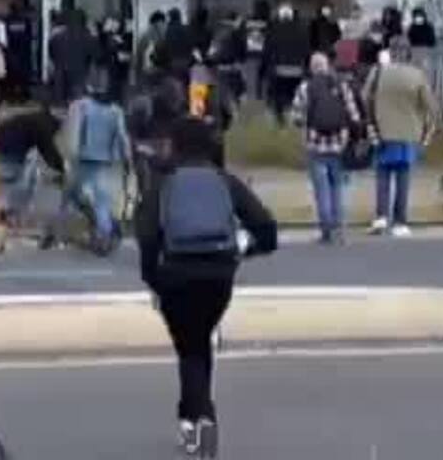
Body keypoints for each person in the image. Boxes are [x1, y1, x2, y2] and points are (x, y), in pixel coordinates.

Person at [134, 118, 278, 459]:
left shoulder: (163, 184)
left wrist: (154, 281)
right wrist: (243, 251)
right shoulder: (224, 181)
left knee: (190, 348)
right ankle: (190, 417)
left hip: (176, 273)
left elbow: (148, 237)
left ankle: (201, 417)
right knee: (199, 342)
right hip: (219, 273)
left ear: (176, 146)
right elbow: (267, 230)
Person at [366, 35, 435, 237]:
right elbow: (430, 106)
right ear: (407, 52)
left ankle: (381, 217)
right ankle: (400, 221)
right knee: (403, 178)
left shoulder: (377, 73)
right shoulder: (417, 75)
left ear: (390, 51)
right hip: (408, 134)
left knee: (382, 176)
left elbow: (364, 96)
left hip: (382, 132)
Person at [301, 51, 370, 243]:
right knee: (338, 188)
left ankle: (326, 231)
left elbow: (298, 117)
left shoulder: (306, 87)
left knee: (321, 190)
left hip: (315, 146)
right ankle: (339, 229)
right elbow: (354, 116)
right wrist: (354, 135)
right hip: (340, 145)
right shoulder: (342, 86)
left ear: (312, 68)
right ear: (328, 66)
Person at [56, 88, 130, 254]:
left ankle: (103, 231)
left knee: (78, 195)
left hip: (84, 158)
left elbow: (74, 130)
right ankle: (103, 225)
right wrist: (126, 159)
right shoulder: (115, 111)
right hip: (102, 159)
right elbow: (122, 136)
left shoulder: (84, 106)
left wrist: (69, 153)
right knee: (93, 197)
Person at [0, 106, 64, 227]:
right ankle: (10, 212)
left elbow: (45, 151)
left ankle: (10, 209)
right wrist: (61, 168)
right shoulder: (45, 127)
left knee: (17, 178)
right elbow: (48, 151)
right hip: (11, 145)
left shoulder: (38, 120)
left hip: (3, 139)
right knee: (18, 180)